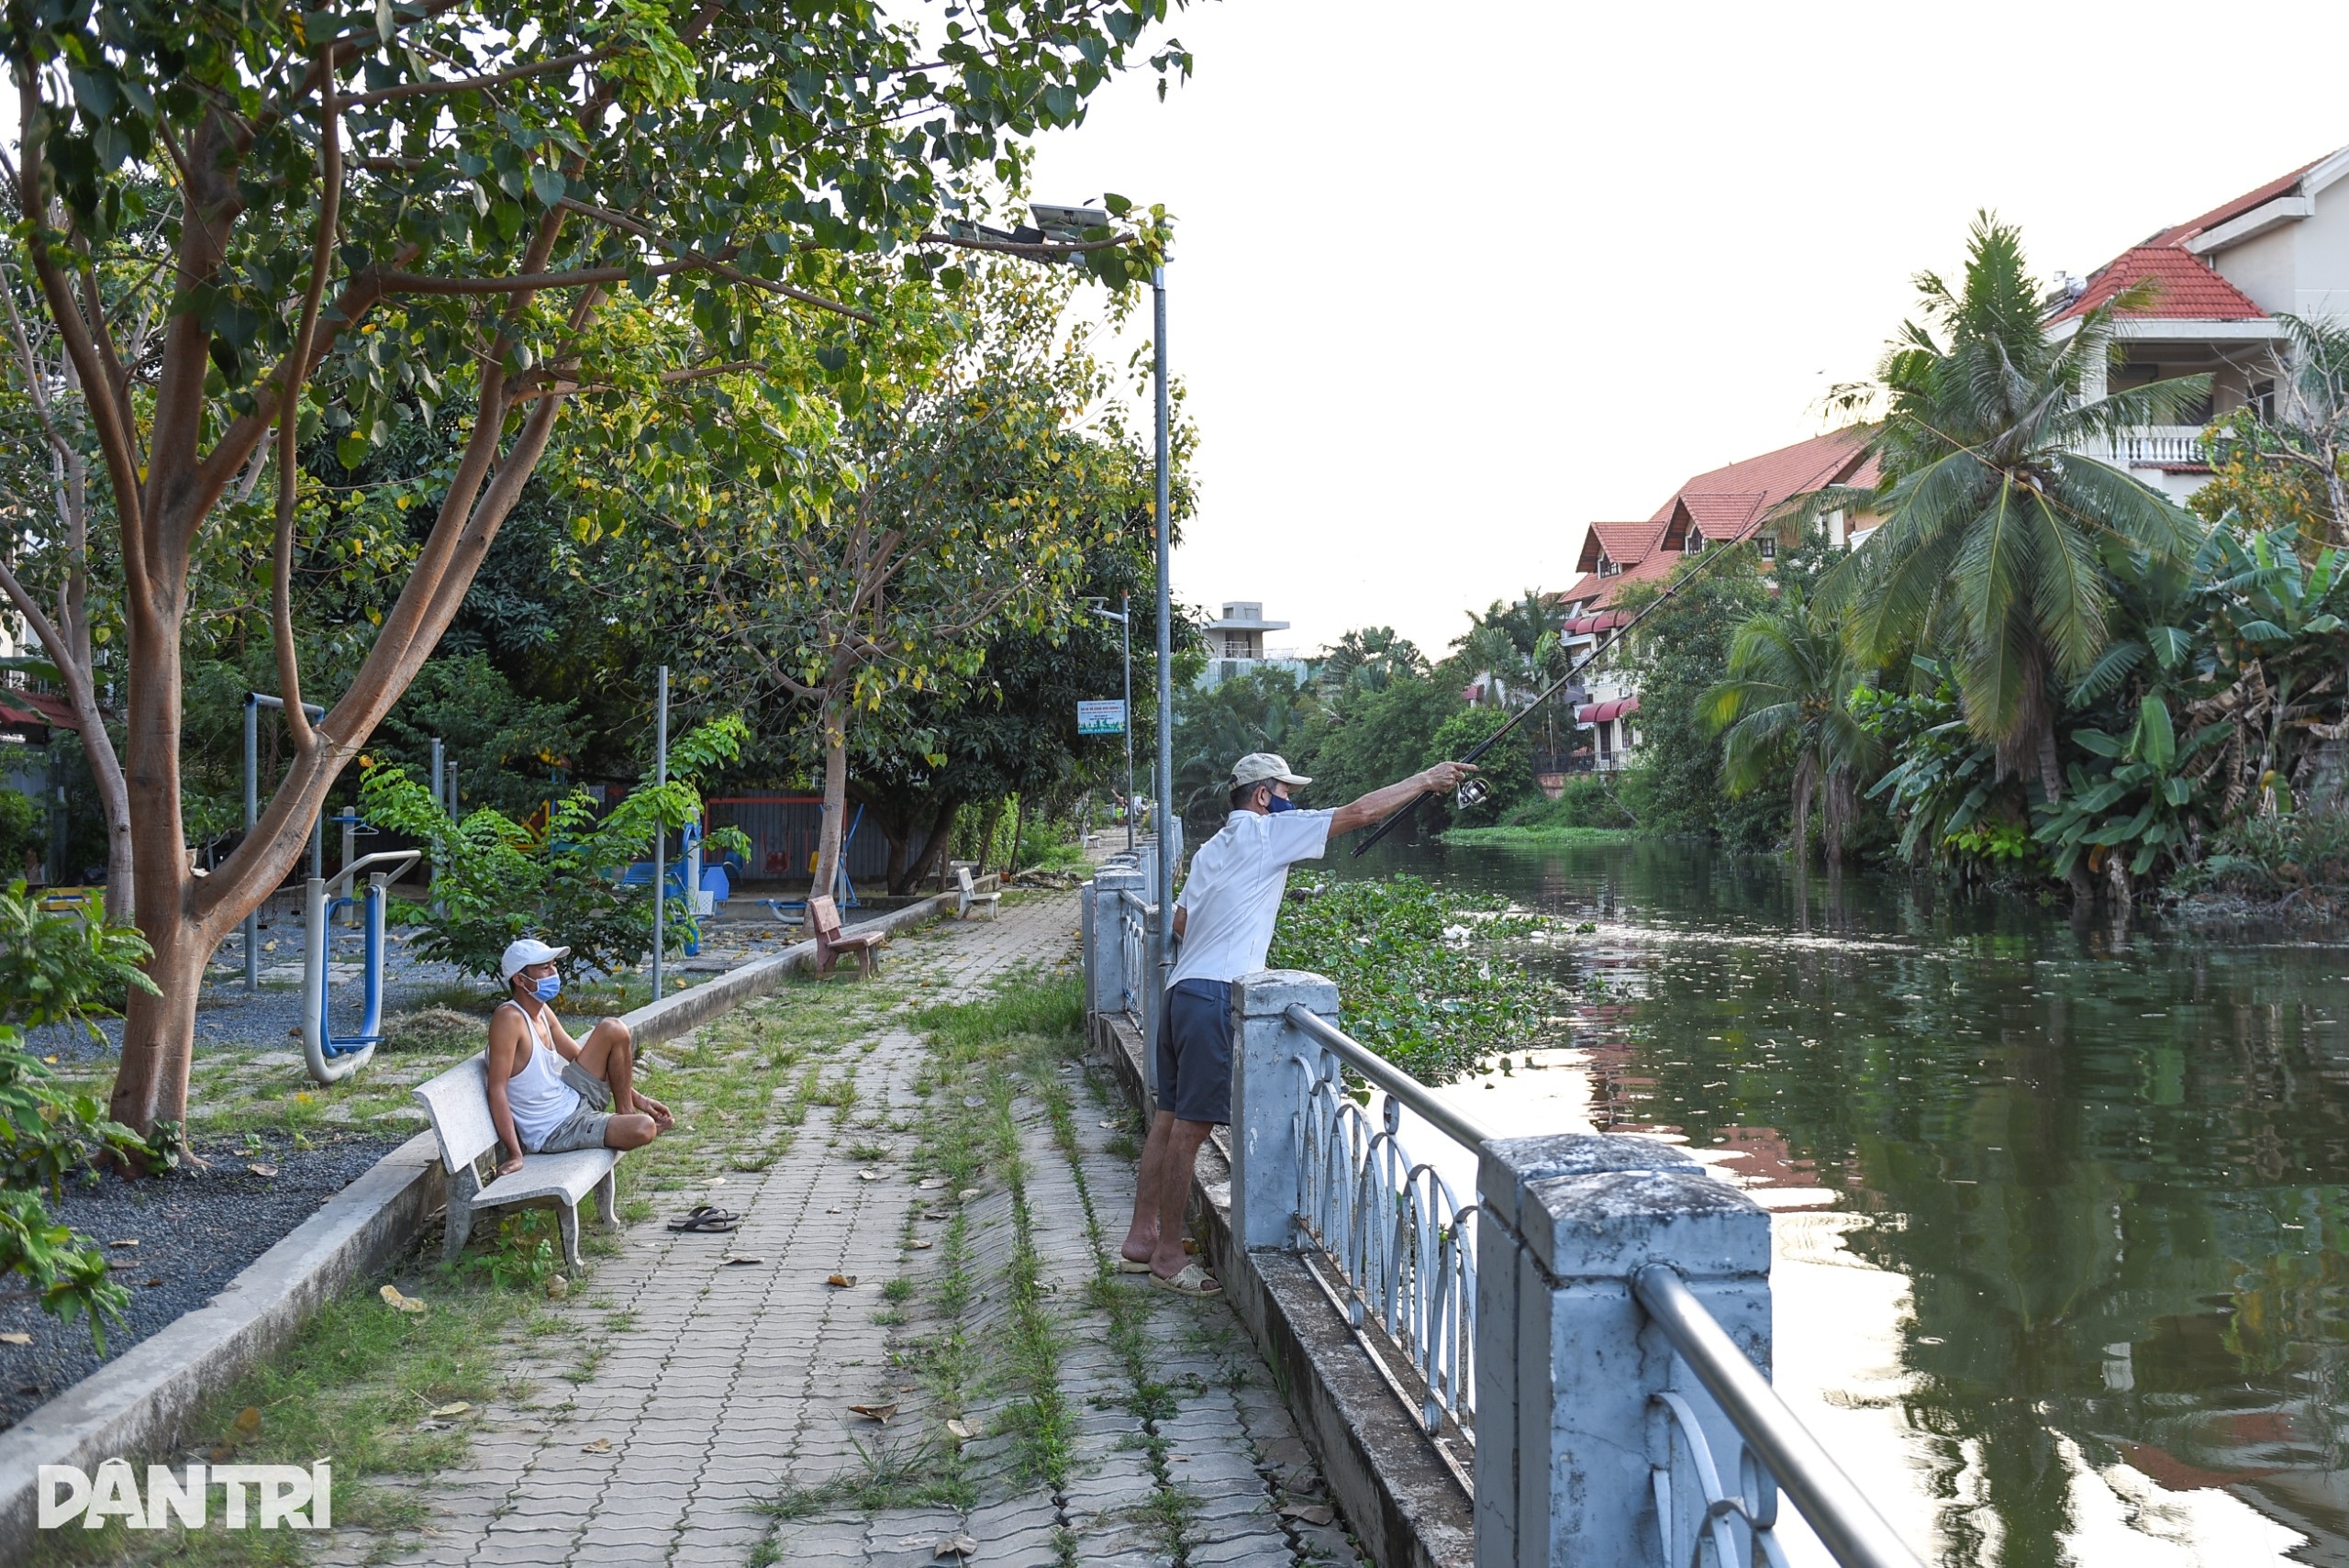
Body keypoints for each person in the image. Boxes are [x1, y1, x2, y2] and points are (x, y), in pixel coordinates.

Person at [1117, 751, 1477, 1295]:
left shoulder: (1213, 847)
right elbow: (1357, 813)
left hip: (1180, 994)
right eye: (1287, 793)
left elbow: (1182, 921)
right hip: (1215, 998)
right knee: (1190, 1131)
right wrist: (1426, 779)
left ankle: (1141, 1239)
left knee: (1166, 1121)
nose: (1293, 802)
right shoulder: (1267, 834)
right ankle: (1167, 1255)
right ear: (1264, 796)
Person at [485, 937, 674, 1177]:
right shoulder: (509, 1019)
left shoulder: (541, 1009)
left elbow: (578, 1057)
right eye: (545, 968)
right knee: (645, 1128)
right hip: (556, 1129)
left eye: (554, 965)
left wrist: (639, 1099)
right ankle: (627, 1125)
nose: (554, 973)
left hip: (572, 1097)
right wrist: (515, 1154)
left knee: (613, 1028)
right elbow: (497, 1089)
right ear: (520, 980)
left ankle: (626, 1113)